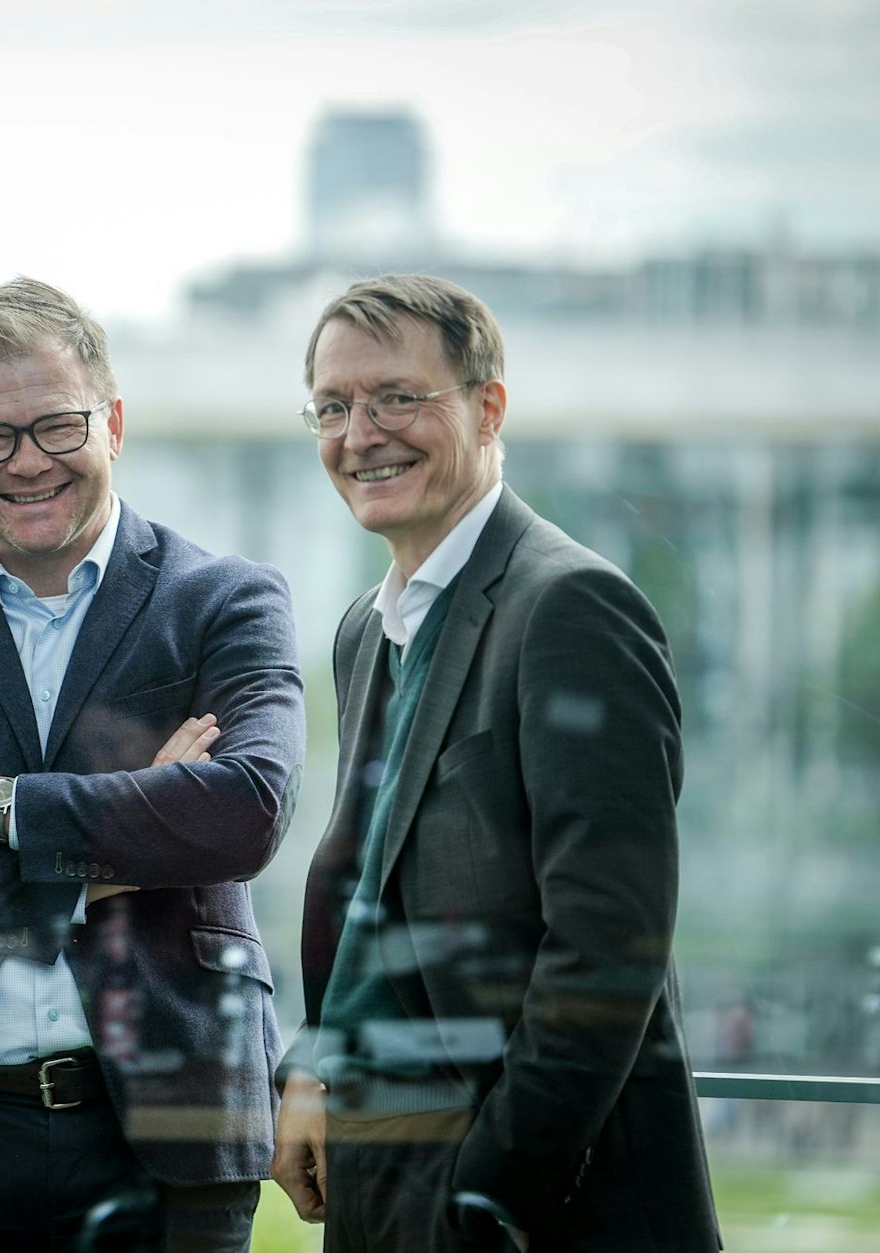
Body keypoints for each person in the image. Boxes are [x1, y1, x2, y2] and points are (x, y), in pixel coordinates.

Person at [0, 276, 306, 1251]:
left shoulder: (224, 603)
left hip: (171, 1128)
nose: (26, 462)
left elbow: (242, 813)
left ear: (111, 420)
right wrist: (139, 821)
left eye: (55, 426)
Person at [269, 274, 719, 1252]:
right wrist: (313, 1062)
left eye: (397, 396)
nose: (359, 432)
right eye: (333, 406)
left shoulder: (571, 610)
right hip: (381, 1188)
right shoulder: (362, 628)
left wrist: (484, 1196)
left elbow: (604, 952)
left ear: (486, 407)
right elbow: (368, 891)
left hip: (540, 1209)